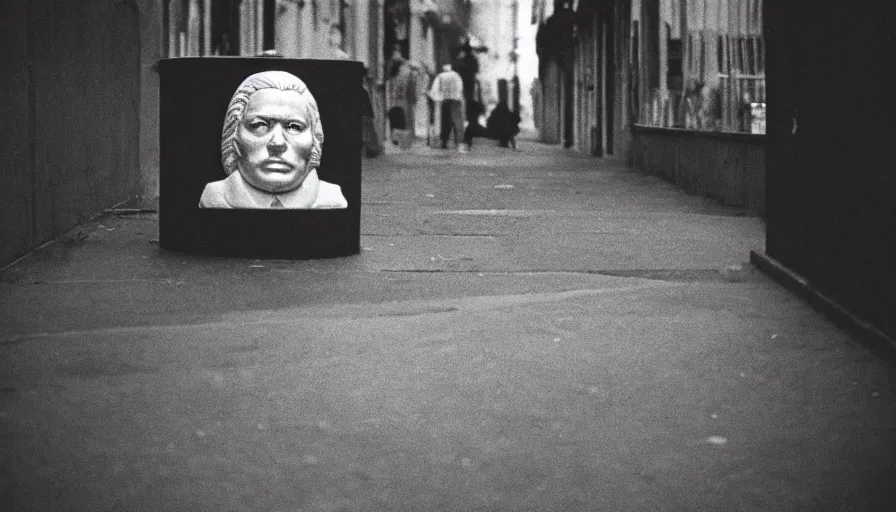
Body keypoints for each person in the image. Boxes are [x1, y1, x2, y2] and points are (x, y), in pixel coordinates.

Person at [199, 71, 347, 209]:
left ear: (315, 139)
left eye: (294, 127)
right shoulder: (214, 196)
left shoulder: (331, 197)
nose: (277, 143)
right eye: (259, 125)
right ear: (233, 136)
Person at [428, 63, 466, 152]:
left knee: (445, 122)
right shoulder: (456, 76)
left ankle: (444, 141)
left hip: (445, 101)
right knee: (457, 122)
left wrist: (435, 98)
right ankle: (459, 142)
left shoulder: (440, 76)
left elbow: (435, 89)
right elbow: (460, 87)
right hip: (456, 101)